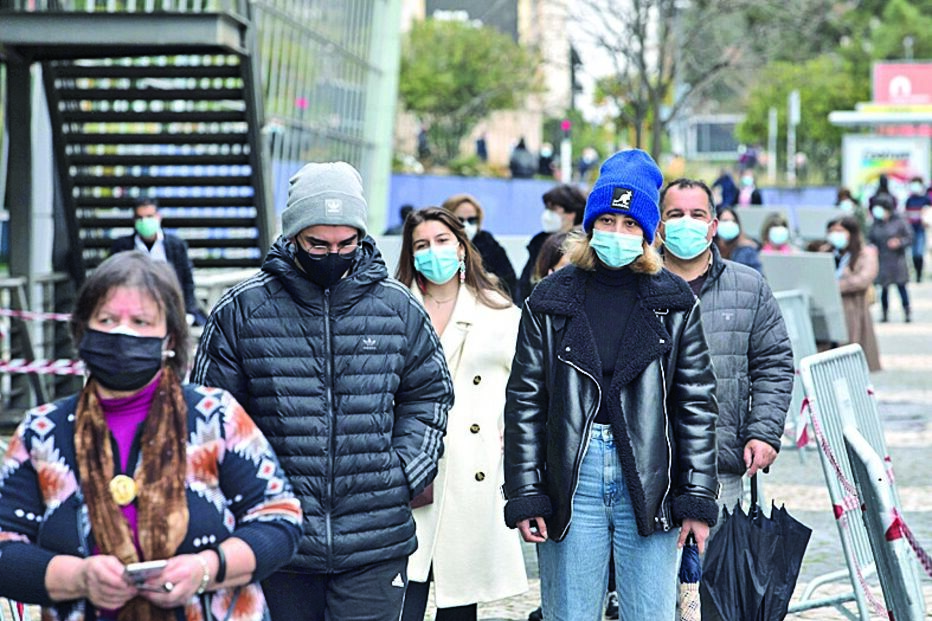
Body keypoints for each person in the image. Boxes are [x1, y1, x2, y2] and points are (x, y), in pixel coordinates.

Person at [191, 162, 454, 621]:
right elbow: (208, 417)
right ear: (293, 236)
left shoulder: (398, 307)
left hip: (374, 538)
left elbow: (429, 394)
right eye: (318, 244)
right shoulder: (242, 310)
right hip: (275, 538)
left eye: (346, 243)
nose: (333, 254)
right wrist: (247, 491)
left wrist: (403, 471)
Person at [0, 251, 303, 620]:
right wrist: (79, 577)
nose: (122, 333)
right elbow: (5, 546)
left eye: (141, 321)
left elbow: (280, 519)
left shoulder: (216, 417)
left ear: (169, 338)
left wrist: (206, 569)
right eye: (107, 319)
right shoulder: (42, 432)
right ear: (82, 330)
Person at [503, 149, 720, 620]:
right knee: (570, 612)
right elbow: (524, 401)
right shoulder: (550, 299)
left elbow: (696, 404)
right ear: (590, 226)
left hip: (649, 473)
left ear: (646, 233)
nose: (616, 234)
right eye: (606, 222)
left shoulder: (674, 301)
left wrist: (697, 496)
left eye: (629, 224)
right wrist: (525, 490)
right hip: (570, 473)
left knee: (649, 612)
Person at [395, 207, 527, 621]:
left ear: (460, 246)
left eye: (441, 241)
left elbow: (525, 390)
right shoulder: (391, 309)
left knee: (459, 601)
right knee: (401, 593)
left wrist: (509, 434)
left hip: (473, 468)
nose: (432, 252)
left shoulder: (500, 314)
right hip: (408, 466)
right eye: (421, 245)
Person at [658, 179, 793, 524]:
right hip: (649, 461)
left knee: (717, 571)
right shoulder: (637, 285)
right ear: (659, 226)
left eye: (696, 214)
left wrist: (763, 432)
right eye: (675, 214)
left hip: (721, 461)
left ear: (712, 226)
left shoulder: (749, 287)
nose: (686, 222)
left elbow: (774, 364)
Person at [111, 198, 205, 326]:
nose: (145, 222)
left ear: (158, 217)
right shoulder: (122, 246)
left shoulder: (176, 245)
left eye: (149, 216)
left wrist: (187, 311)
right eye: (140, 217)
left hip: (170, 307)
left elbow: (187, 281)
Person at [824, 217, 881, 371]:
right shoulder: (826, 252)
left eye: (840, 231)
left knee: (851, 354)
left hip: (854, 309)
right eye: (832, 231)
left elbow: (863, 279)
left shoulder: (865, 253)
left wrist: (834, 286)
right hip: (829, 310)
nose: (835, 235)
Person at [516, 184, 587, 304]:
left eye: (553, 209)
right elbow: (524, 285)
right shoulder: (539, 242)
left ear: (571, 213)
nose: (547, 215)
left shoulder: (582, 247)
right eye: (546, 208)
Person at [442, 194, 517, 295]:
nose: (466, 225)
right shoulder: (440, 245)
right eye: (459, 220)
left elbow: (510, 280)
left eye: (471, 220)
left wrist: (494, 281)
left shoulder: (488, 242)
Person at [868, 194, 912, 323]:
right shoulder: (876, 224)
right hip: (882, 259)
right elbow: (870, 238)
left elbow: (910, 237)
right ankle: (885, 312)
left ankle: (907, 311)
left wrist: (899, 242)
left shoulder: (900, 222)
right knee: (884, 289)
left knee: (901, 287)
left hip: (897, 260)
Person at [715, 207, 763, 273]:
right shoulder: (710, 249)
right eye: (725, 220)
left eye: (733, 221)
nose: (729, 224)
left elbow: (759, 277)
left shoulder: (747, 250)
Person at [904, 176, 931, 282]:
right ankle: (916, 271)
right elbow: (906, 215)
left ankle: (919, 273)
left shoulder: (926, 200)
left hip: (922, 229)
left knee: (919, 253)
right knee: (913, 254)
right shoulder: (909, 200)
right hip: (911, 230)